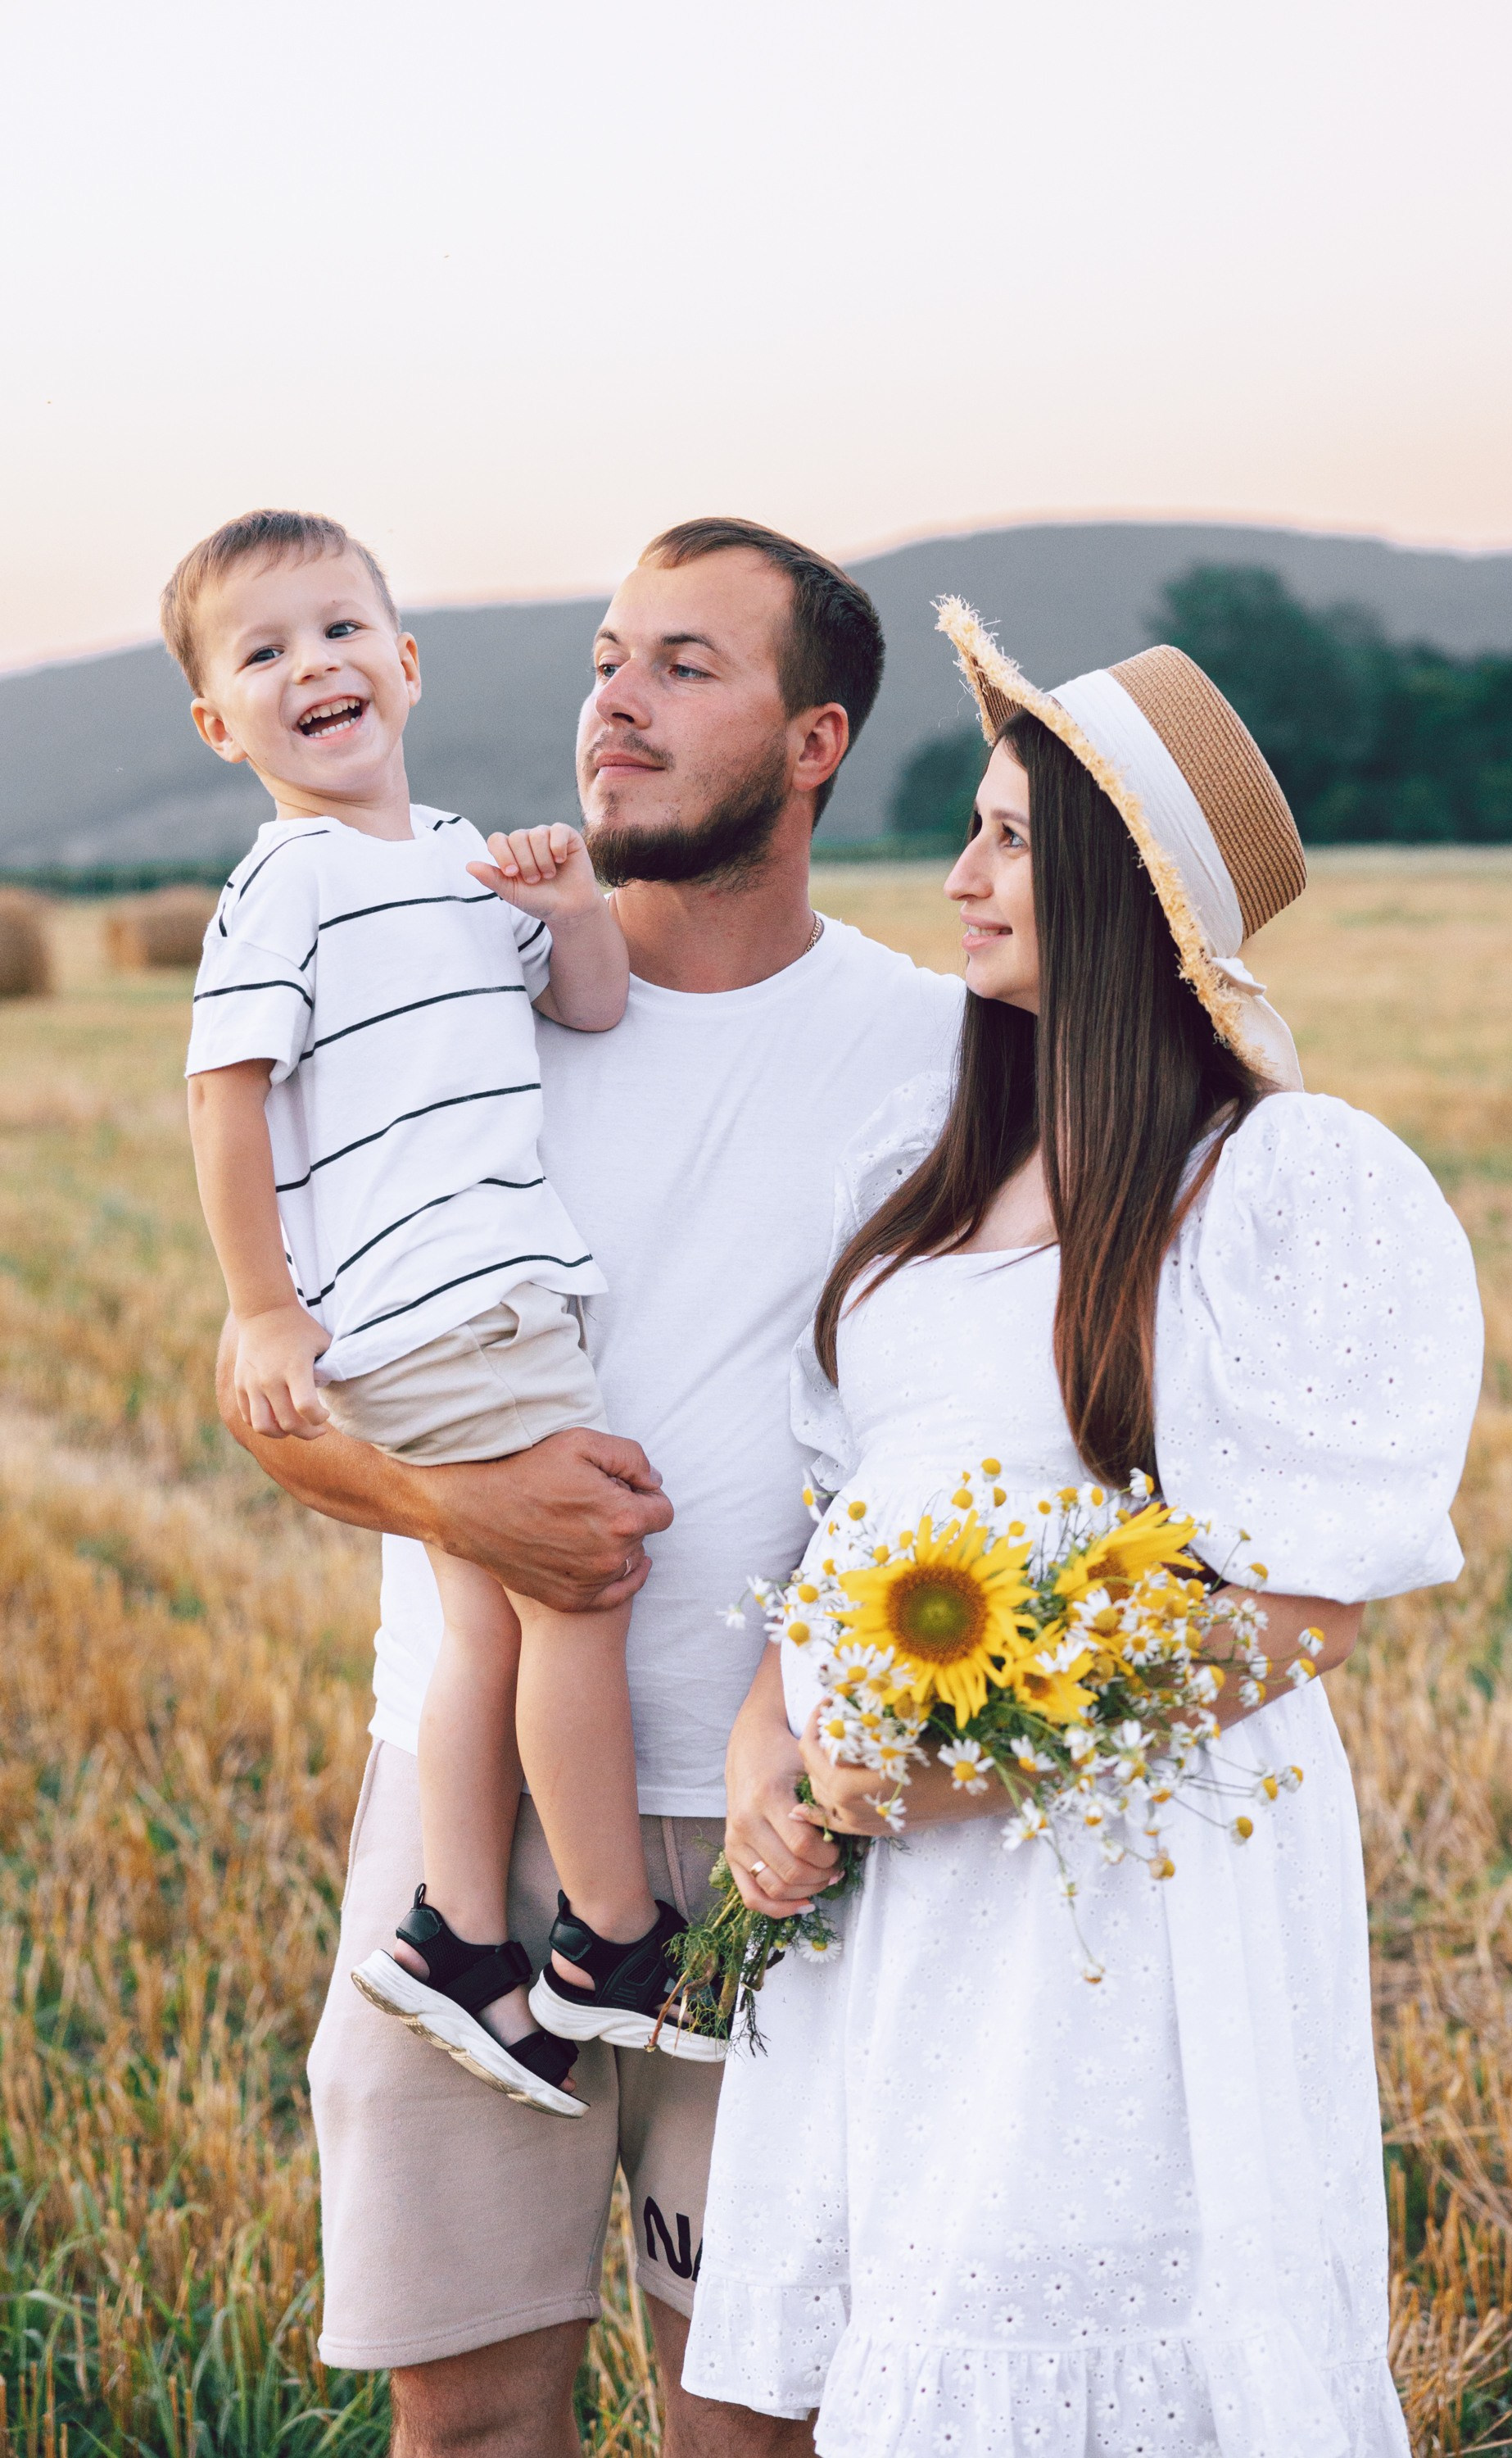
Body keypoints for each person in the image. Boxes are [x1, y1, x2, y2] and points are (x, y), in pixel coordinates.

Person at [685, 606, 1484, 2456]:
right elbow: (833, 1533)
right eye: (971, 829)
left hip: (1110, 1896)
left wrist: (971, 1757)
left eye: (1010, 842)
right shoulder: (922, 1164)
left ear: (1123, 892)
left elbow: (1295, 1616)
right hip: (892, 1890)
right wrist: (766, 1757)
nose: (958, 878)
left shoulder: (1269, 1186)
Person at [220, 519, 964, 2456]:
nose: (612, 703)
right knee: (466, 2422)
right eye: (605, 656)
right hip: (470, 1824)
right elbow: (261, 1398)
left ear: (814, 742)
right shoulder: (439, 990)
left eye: (684, 668)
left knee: (751, 2428)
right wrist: (466, 1521)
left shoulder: (929, 1053)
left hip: (781, 1836)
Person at [174, 507, 725, 2125]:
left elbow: (596, 1003)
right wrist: (263, 1314)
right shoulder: (286, 886)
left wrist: (563, 913)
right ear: (220, 724)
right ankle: (610, 1941)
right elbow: (224, 1101)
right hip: (443, 1309)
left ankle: (454, 1934)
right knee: (585, 1587)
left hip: (475, 1302)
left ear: (404, 666)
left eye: (340, 631)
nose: (313, 666)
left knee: (487, 1619)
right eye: (263, 653)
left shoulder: (459, 859)